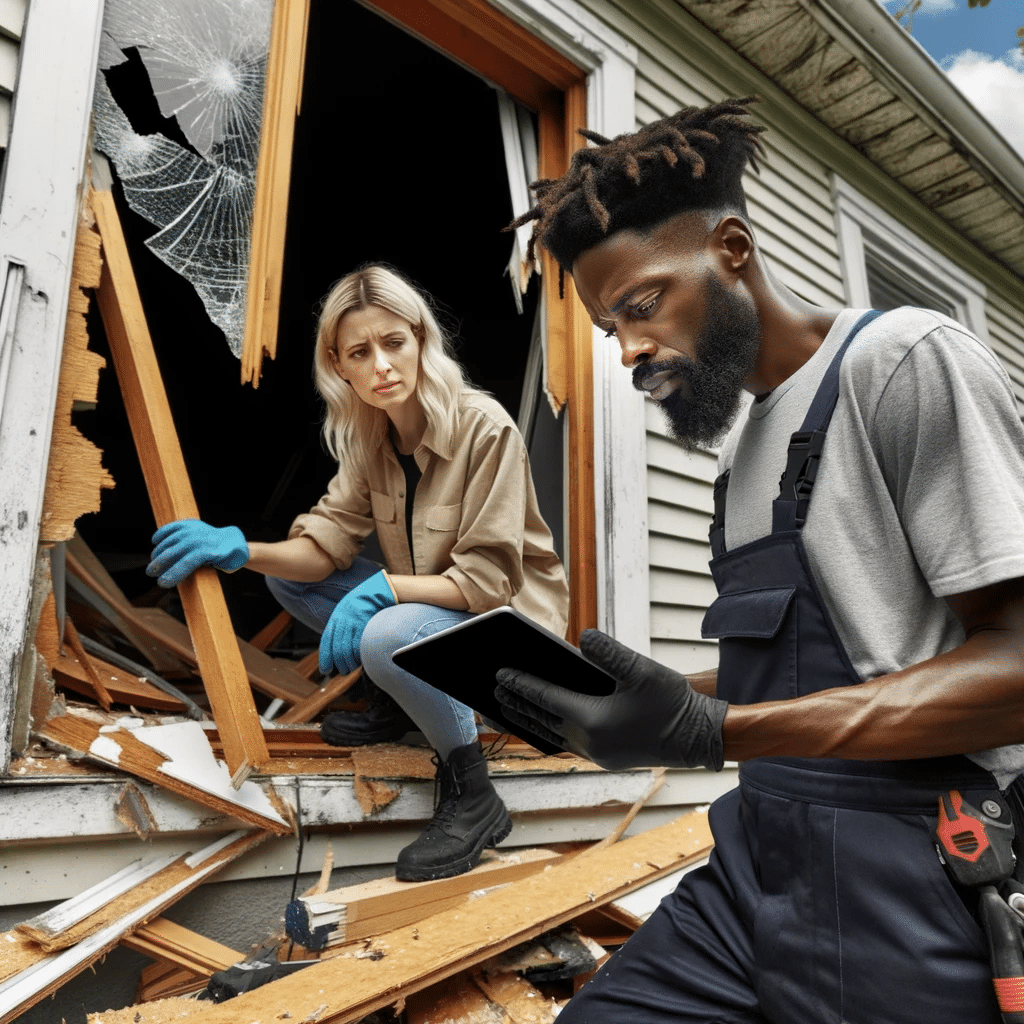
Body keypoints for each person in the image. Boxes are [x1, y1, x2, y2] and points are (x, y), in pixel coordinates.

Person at [493, 97, 1024, 1022]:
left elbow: (1016, 668)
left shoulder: (900, 361)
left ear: (731, 250)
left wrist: (719, 731)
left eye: (642, 306)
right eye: (609, 327)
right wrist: (632, 697)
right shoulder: (743, 465)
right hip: (756, 864)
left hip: (915, 867)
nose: (628, 351)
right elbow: (777, 671)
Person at [146, 263, 569, 882]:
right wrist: (240, 548)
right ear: (338, 365)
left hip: (508, 643)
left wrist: (384, 591)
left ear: (423, 341)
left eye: (395, 343)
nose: (382, 367)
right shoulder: (371, 441)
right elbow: (324, 546)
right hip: (429, 618)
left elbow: (486, 584)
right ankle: (400, 699)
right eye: (360, 353)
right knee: (287, 577)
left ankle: (473, 794)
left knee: (387, 632)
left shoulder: (485, 427)